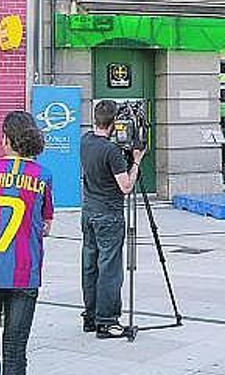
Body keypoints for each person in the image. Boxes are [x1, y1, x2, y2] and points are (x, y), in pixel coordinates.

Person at [0, 111, 54, 375]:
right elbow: (47, 225)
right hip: (25, 272)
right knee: (15, 349)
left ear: (5, 138)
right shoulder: (43, 175)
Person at [80, 100, 145, 338]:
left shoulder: (85, 140)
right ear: (114, 123)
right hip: (109, 215)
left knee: (90, 265)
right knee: (109, 268)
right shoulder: (111, 151)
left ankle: (91, 316)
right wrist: (136, 160)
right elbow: (126, 186)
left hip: (88, 212)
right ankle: (107, 321)